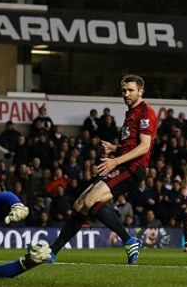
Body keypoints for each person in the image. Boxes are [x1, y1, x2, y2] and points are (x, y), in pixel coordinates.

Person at [48, 74, 157, 264]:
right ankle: (53, 251)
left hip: (133, 168)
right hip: (124, 163)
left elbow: (144, 147)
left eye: (131, 90)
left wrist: (115, 161)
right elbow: (131, 145)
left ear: (141, 91)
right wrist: (115, 149)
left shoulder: (146, 112)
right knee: (79, 205)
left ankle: (129, 240)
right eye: (124, 90)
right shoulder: (130, 113)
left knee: (90, 201)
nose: (126, 94)